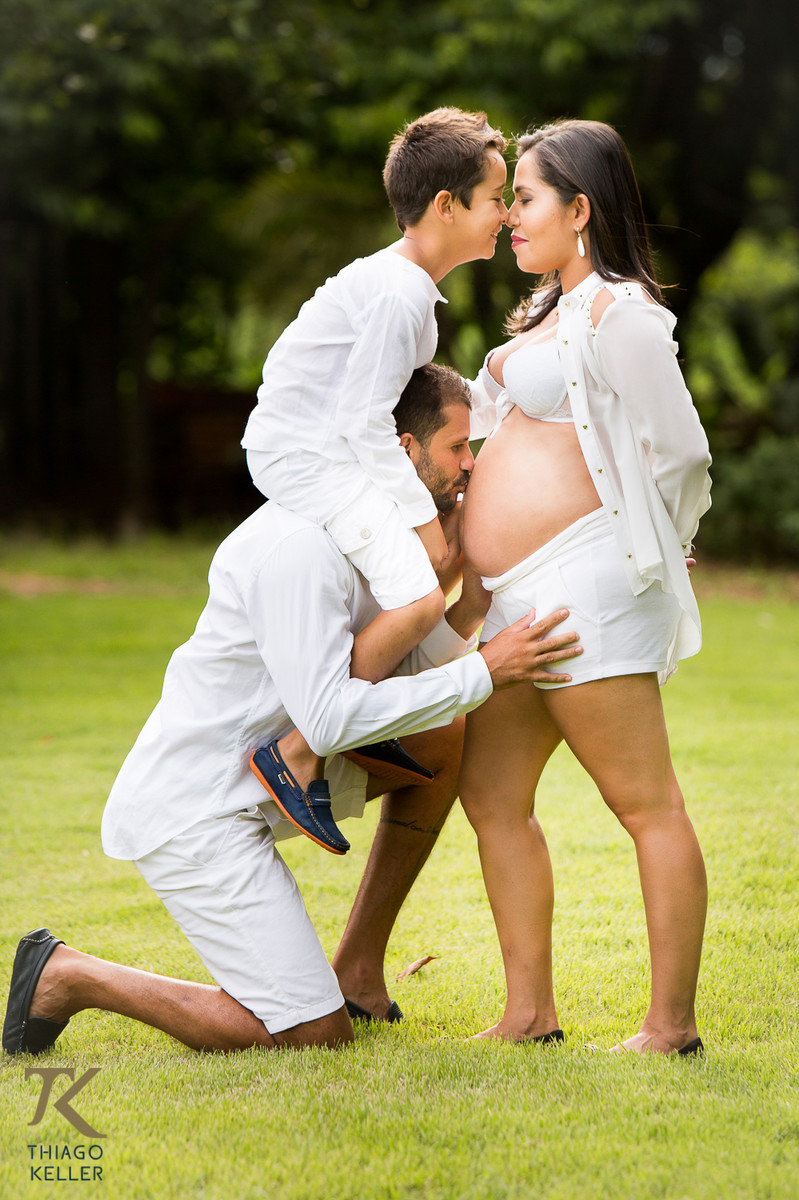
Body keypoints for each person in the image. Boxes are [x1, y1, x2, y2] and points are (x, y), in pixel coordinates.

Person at [3, 365, 583, 1058]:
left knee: (438, 741)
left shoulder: (376, 533)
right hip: (200, 809)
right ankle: (69, 976)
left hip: (275, 773)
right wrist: (485, 670)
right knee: (311, 1034)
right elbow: (333, 718)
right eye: (458, 448)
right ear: (403, 451)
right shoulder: (299, 545)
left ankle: (359, 971)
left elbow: (395, 677)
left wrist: (469, 611)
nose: (470, 466)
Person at [458, 120, 712, 1055]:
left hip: (585, 589)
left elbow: (680, 450)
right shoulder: (551, 311)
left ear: (580, 208)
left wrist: (660, 536)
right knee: (491, 796)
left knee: (645, 805)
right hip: (518, 595)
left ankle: (669, 1027)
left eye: (523, 197)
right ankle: (528, 1013)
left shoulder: (619, 312)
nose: (510, 214)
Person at [240, 108, 510, 853]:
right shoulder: (397, 294)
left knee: (419, 580)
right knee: (424, 586)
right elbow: (365, 422)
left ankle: (350, 725)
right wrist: (422, 525)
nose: (506, 213)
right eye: (496, 197)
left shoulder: (409, 291)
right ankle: (298, 752)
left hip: (329, 449)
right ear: (446, 207)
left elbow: (411, 407)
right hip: (307, 456)